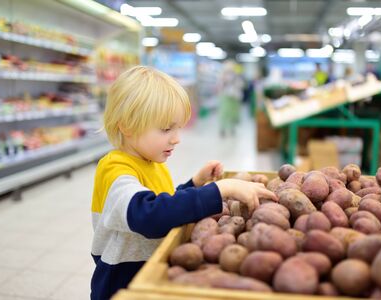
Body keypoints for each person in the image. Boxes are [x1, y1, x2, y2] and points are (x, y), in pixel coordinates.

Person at [90, 66, 277, 300]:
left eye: (177, 128)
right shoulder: (115, 171)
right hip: (123, 281)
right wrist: (218, 190)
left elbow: (164, 200)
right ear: (127, 126)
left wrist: (194, 184)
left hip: (150, 272)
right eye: (166, 129)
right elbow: (148, 215)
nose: (176, 138)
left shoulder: (150, 161)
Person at [218, 60, 244, 137]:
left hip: (235, 98)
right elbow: (220, 86)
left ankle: (232, 128)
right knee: (225, 113)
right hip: (226, 97)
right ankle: (223, 129)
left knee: (233, 114)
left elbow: (241, 85)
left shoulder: (237, 76)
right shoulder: (222, 76)